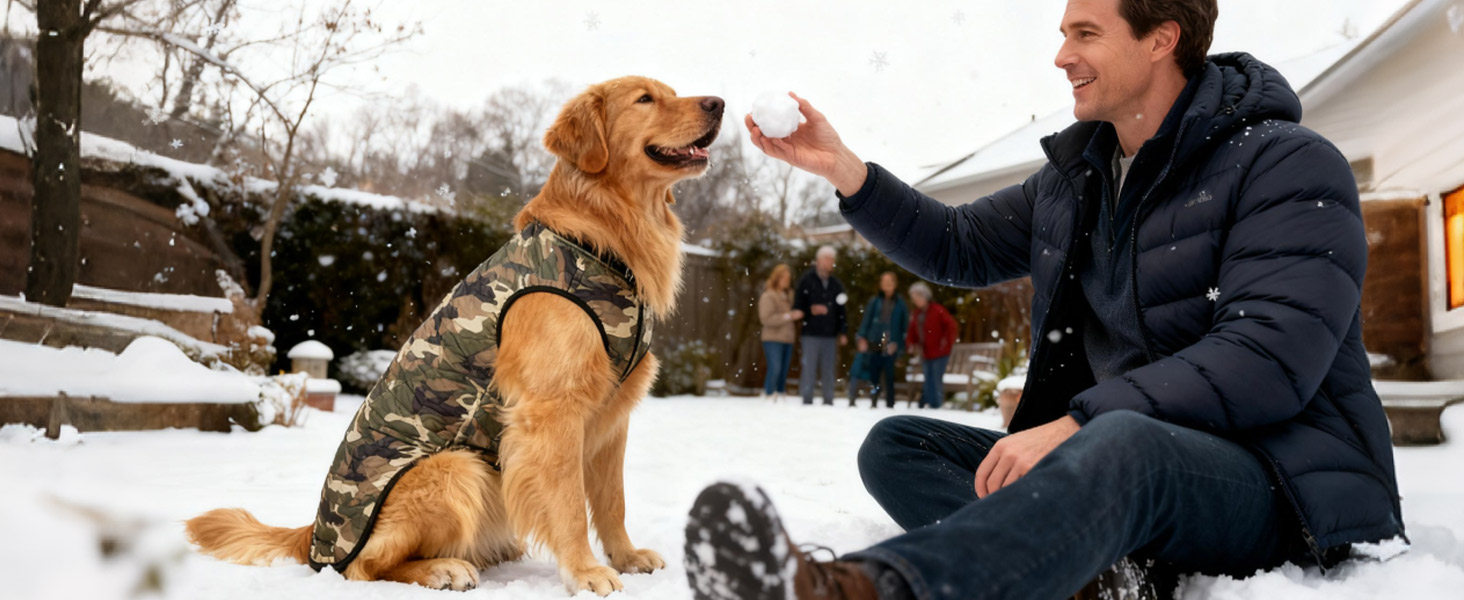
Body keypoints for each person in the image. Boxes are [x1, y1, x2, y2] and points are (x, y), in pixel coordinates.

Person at [684, 1, 1402, 599]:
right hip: (1125, 455)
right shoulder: (1076, 179)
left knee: (1124, 443)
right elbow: (958, 243)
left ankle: (875, 589)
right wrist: (845, 171)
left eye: (1085, 32)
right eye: (1063, 33)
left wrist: (1081, 422)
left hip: (1279, 484)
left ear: (1161, 38)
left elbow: (1268, 358)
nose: (1061, 55)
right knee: (901, 447)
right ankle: (1099, 578)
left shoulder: (1285, 163)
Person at [794, 246, 849, 405]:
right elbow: (797, 305)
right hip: (810, 332)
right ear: (819, 261)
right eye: (829, 260)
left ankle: (828, 399)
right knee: (809, 367)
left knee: (829, 369)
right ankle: (807, 399)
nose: (832, 263)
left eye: (833, 260)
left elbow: (842, 310)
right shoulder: (806, 280)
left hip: (830, 334)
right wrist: (810, 310)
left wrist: (843, 331)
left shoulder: (836, 284)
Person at [854, 272, 908, 408]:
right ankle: (874, 401)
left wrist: (899, 346)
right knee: (874, 375)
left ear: (895, 284)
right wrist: (861, 337)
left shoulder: (900, 304)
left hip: (891, 344)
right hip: (874, 341)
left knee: (889, 376)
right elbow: (866, 321)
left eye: (889, 281)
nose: (886, 284)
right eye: (883, 281)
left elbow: (905, 327)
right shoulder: (875, 301)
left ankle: (890, 403)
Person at [904, 282, 957, 409]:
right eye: (914, 298)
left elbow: (951, 326)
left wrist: (945, 342)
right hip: (926, 352)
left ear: (925, 296)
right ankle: (928, 403)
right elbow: (912, 331)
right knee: (928, 378)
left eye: (918, 297)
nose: (916, 301)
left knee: (936, 379)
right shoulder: (917, 314)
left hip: (940, 352)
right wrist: (911, 344)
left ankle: (936, 405)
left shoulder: (938, 310)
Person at [759, 264, 804, 401]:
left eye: (788, 278)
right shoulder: (768, 296)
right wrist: (788, 316)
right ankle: (769, 394)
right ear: (777, 278)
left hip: (788, 338)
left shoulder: (789, 295)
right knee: (775, 368)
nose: (787, 281)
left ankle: (780, 395)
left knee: (784, 371)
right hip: (772, 338)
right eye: (784, 278)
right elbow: (766, 319)